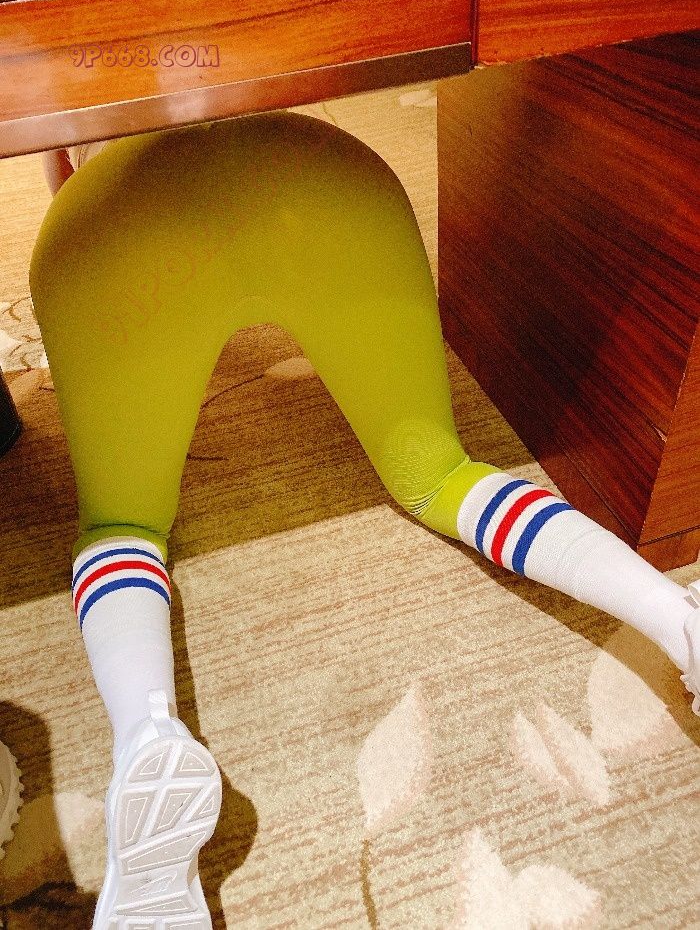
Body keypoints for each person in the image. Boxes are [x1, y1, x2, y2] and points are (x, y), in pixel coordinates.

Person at [33, 111, 699, 928]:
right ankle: (678, 619)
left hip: (124, 210)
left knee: (123, 525)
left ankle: (147, 735)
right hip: (325, 181)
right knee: (444, 477)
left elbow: (58, 152)